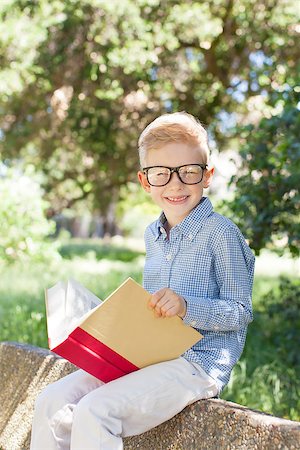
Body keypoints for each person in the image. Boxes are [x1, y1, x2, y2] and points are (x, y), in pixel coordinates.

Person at [30, 111, 255, 450]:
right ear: (145, 181)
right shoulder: (153, 234)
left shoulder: (221, 234)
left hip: (196, 366)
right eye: (161, 174)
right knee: (52, 400)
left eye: (188, 172)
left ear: (207, 175)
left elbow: (240, 312)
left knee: (96, 410)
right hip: (147, 358)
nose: (175, 184)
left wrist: (186, 307)